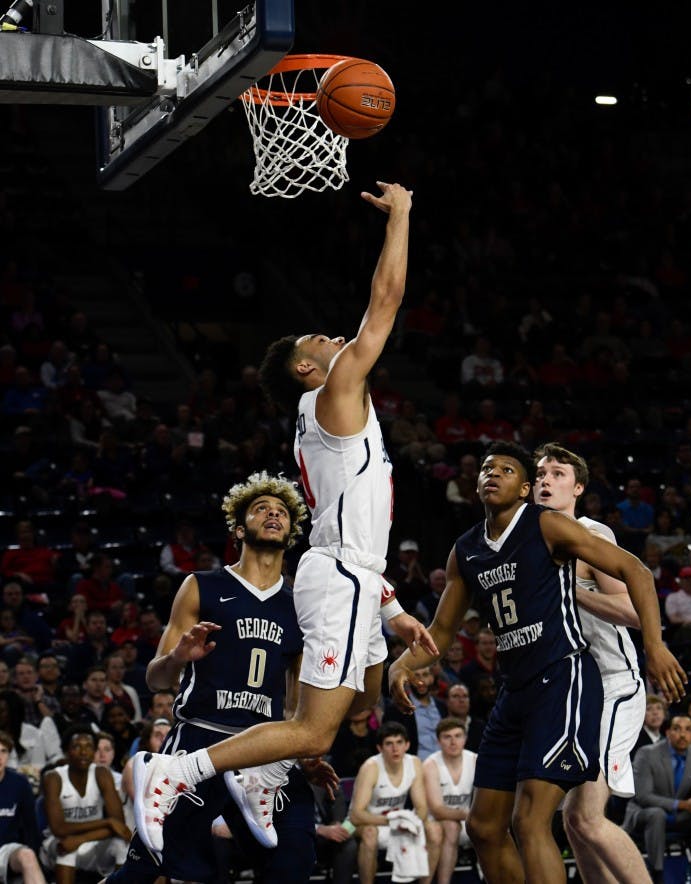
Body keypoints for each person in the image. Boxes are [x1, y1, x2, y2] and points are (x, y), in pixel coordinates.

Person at [132, 183, 436, 855]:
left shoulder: (324, 415)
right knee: (315, 733)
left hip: (354, 571)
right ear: (307, 368)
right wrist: (403, 217)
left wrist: (389, 610)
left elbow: (342, 524)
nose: (334, 338)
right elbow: (384, 304)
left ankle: (264, 772)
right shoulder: (332, 394)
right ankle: (175, 772)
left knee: (364, 705)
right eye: (318, 339)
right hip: (340, 575)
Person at [387, 441, 685, 884]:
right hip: (517, 688)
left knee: (539, 820)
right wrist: (402, 666)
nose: (493, 474)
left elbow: (637, 572)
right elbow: (444, 630)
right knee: (485, 825)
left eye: (507, 470)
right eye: (487, 468)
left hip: (567, 677)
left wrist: (656, 647)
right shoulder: (465, 550)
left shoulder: (551, 527)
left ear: (524, 487)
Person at [106, 472, 334, 884]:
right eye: (261, 508)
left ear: (291, 530)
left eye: (282, 511)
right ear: (238, 527)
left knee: (293, 861)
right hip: (198, 740)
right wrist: (178, 656)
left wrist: (303, 751)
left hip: (265, 751)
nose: (273, 514)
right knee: (145, 868)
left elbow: (298, 696)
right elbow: (157, 680)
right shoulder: (201, 586)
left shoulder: (301, 604)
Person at [533, 442, 652, 884]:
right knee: (571, 823)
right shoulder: (530, 543)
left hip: (613, 684)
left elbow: (635, 611)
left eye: (558, 473)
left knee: (585, 817)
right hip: (571, 693)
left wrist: (572, 589)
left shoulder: (592, 534)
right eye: (541, 472)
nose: (547, 479)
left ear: (578, 487)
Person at [625, 713, 691, 883]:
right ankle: (657, 875)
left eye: (688, 730)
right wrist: (682, 804)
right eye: (677, 729)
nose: (682, 734)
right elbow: (643, 796)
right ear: (668, 732)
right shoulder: (647, 753)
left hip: (680, 815)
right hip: (645, 813)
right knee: (656, 814)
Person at [349, 721, 439, 884]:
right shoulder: (370, 767)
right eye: (389, 744)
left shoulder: (414, 763)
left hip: (396, 821)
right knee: (370, 834)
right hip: (364, 823)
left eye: (399, 743)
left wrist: (412, 822)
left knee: (434, 830)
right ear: (380, 748)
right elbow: (356, 816)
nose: (395, 749)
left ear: (407, 745)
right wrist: (394, 821)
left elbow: (422, 808)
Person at [41, 725, 130, 883]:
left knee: (121, 844)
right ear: (67, 751)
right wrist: (107, 822)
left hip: (90, 842)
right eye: (77, 747)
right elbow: (59, 829)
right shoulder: (53, 778)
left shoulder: (102, 774)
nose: (83, 752)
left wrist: (80, 839)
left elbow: (120, 825)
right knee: (66, 850)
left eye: (89, 747)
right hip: (57, 845)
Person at [423, 717, 477, 884]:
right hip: (433, 821)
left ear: (465, 738)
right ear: (439, 741)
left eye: (458, 736)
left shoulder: (475, 760)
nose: (453, 742)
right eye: (447, 737)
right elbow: (437, 810)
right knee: (451, 827)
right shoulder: (430, 764)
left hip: (466, 820)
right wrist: (468, 815)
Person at [0, 728, 45, 884]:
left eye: (3, 751)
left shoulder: (19, 783)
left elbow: (30, 826)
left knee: (27, 855)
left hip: (6, 851)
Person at [632, 694, 666, 759]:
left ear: (664, 714)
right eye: (649, 709)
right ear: (642, 714)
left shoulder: (666, 741)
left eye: (659, 708)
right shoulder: (635, 740)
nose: (655, 712)